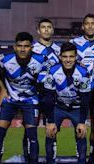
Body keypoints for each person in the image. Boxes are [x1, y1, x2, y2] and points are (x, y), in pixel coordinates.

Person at [0, 32, 46, 164]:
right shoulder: (4, 59)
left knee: (32, 136)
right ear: (14, 47)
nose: (22, 49)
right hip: (10, 99)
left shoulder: (41, 60)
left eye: (26, 46)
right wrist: (2, 89)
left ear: (31, 48)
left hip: (30, 101)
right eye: (19, 46)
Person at [43, 42, 92, 164]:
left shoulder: (83, 72)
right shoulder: (53, 71)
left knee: (81, 133)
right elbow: (48, 97)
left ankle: (81, 161)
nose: (68, 60)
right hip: (58, 107)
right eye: (65, 57)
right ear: (60, 57)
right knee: (50, 132)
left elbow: (86, 99)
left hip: (77, 108)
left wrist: (82, 122)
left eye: (71, 57)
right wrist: (50, 121)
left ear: (76, 57)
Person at [22, 18, 61, 163]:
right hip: (33, 95)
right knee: (29, 130)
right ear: (38, 31)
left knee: (51, 130)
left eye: (48, 27)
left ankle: (51, 160)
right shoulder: (31, 49)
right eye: (43, 27)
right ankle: (30, 160)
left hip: (51, 96)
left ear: (52, 30)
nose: (46, 29)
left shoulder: (59, 50)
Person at [70, 13, 94, 163]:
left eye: (93, 23)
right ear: (83, 26)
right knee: (80, 124)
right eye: (87, 24)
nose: (90, 26)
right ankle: (81, 155)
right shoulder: (74, 43)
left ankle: (93, 155)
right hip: (80, 90)